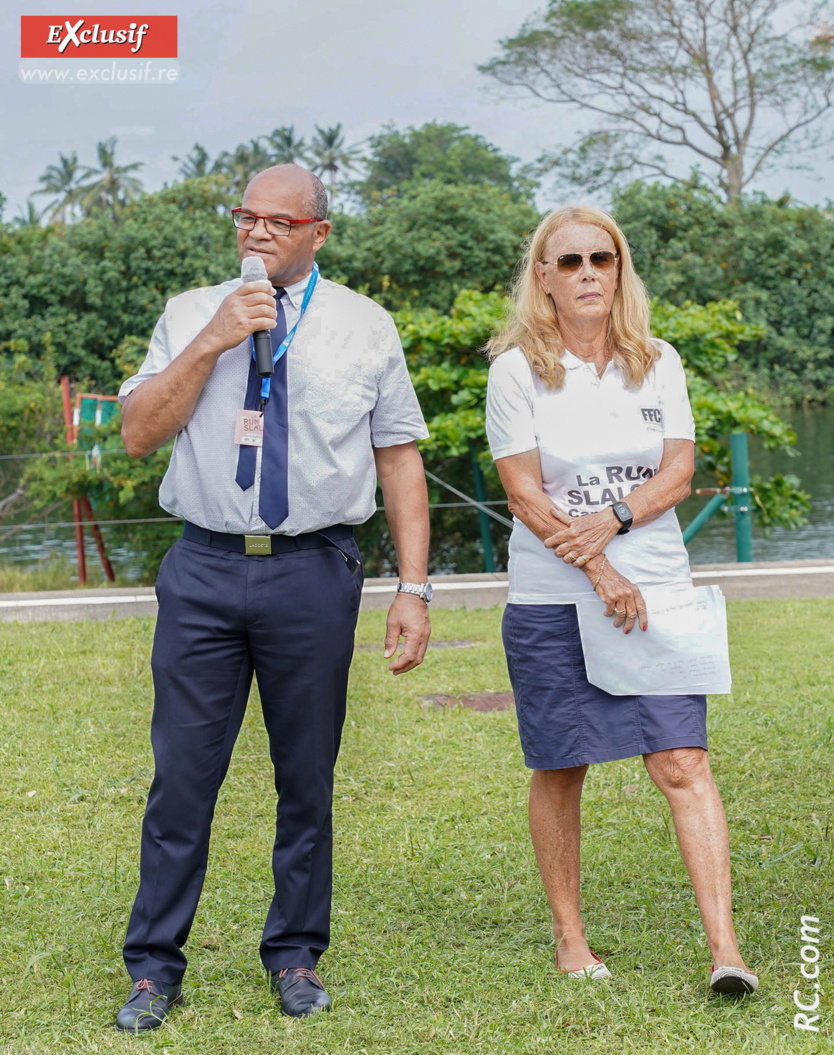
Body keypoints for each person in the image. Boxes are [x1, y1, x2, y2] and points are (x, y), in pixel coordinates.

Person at [114, 164, 433, 1031]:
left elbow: (400, 457)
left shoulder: (366, 326)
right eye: (246, 217)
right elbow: (139, 432)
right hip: (204, 568)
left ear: (318, 233)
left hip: (313, 569)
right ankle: (153, 967)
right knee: (182, 777)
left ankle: (295, 953)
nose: (256, 232)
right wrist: (215, 337)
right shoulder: (191, 312)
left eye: (278, 221)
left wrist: (412, 586)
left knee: (307, 776)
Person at [484, 205, 757, 996]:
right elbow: (523, 493)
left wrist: (614, 520)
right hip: (551, 598)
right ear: (543, 277)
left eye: (601, 258)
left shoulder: (657, 359)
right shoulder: (515, 370)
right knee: (562, 765)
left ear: (620, 268)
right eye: (567, 262)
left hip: (659, 589)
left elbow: (677, 472)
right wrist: (602, 570)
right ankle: (571, 939)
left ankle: (726, 950)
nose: (588, 274)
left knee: (683, 759)